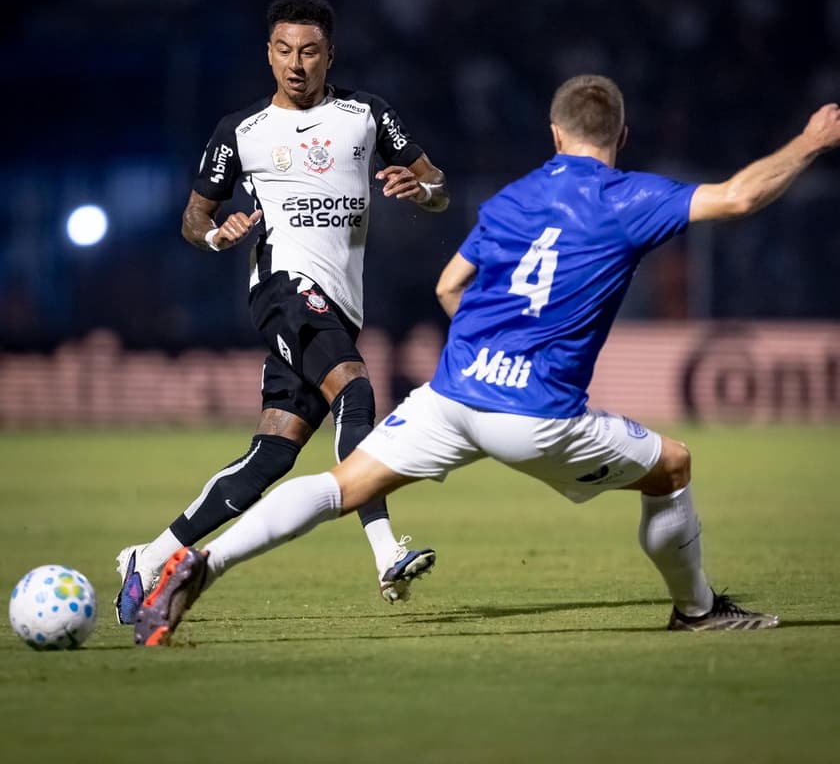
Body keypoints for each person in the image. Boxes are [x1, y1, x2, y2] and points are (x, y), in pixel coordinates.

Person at [134, 75, 840, 646]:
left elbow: (449, 285)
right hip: (536, 416)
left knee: (338, 485)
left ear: (555, 134)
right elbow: (743, 195)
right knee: (674, 463)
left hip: (452, 396)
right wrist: (810, 140)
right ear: (620, 136)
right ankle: (697, 609)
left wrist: (488, 348)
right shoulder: (630, 199)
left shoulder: (512, 198)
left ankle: (203, 562)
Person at [114, 0, 449, 624]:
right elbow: (194, 216)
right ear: (268, 54)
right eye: (284, 50)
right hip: (283, 292)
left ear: (330, 54)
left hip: (339, 305)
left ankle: (148, 556)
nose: (296, 64)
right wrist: (217, 235)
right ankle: (385, 555)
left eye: (310, 51)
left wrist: (420, 189)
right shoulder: (241, 131)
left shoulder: (367, 116)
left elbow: (437, 188)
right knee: (356, 391)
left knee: (272, 455)